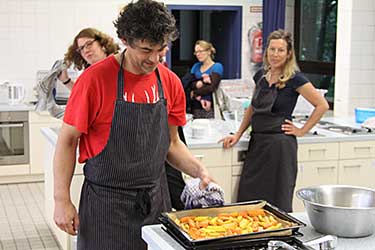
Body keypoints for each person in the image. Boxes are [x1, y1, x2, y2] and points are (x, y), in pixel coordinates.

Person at [52, 1, 214, 249]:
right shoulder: (94, 80)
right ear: (125, 40)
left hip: (156, 201)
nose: (154, 59)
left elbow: (172, 143)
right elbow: (67, 141)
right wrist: (61, 199)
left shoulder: (170, 82)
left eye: (161, 50)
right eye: (146, 50)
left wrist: (198, 170)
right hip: (106, 207)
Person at [220, 29, 329, 212]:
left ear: (288, 54)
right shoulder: (261, 76)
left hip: (280, 147)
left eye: (280, 50)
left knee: (278, 199)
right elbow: (252, 108)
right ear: (266, 51)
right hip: (258, 144)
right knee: (249, 198)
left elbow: (322, 105)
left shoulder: (295, 79)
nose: (275, 54)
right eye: (272, 49)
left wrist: (302, 130)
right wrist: (238, 134)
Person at [185, 40, 224, 119]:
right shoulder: (196, 66)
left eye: (200, 51)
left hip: (210, 107)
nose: (198, 54)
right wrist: (200, 83)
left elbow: (212, 87)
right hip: (195, 106)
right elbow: (188, 83)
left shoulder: (217, 66)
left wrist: (195, 92)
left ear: (209, 52)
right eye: (196, 52)